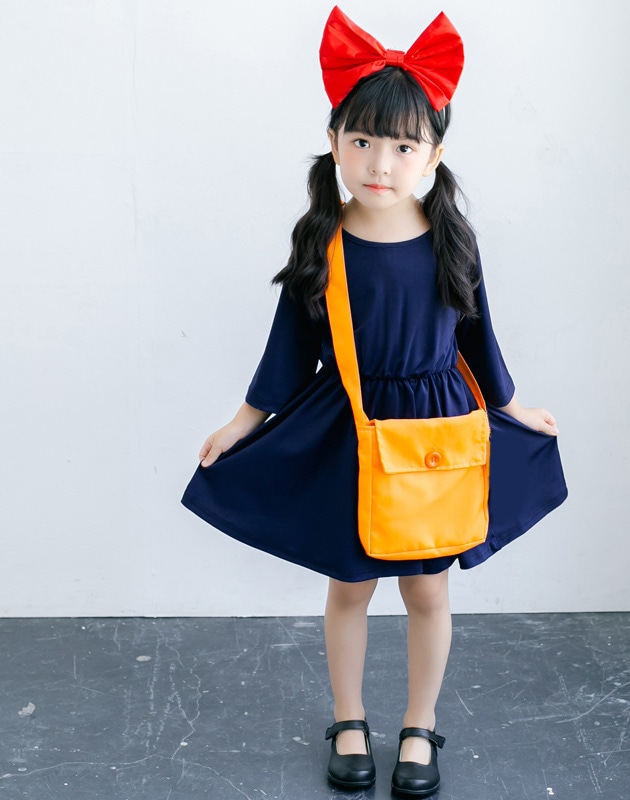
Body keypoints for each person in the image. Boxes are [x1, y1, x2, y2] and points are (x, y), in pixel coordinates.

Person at [182, 6, 567, 796]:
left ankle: (420, 724)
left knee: (427, 586)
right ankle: (349, 718)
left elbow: (478, 337)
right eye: (361, 141)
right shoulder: (319, 241)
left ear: (434, 155)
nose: (379, 163)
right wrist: (242, 424)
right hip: (351, 428)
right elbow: (288, 348)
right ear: (334, 141)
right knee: (350, 584)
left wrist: (512, 406)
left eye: (402, 146)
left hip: (434, 429)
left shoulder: (451, 237)